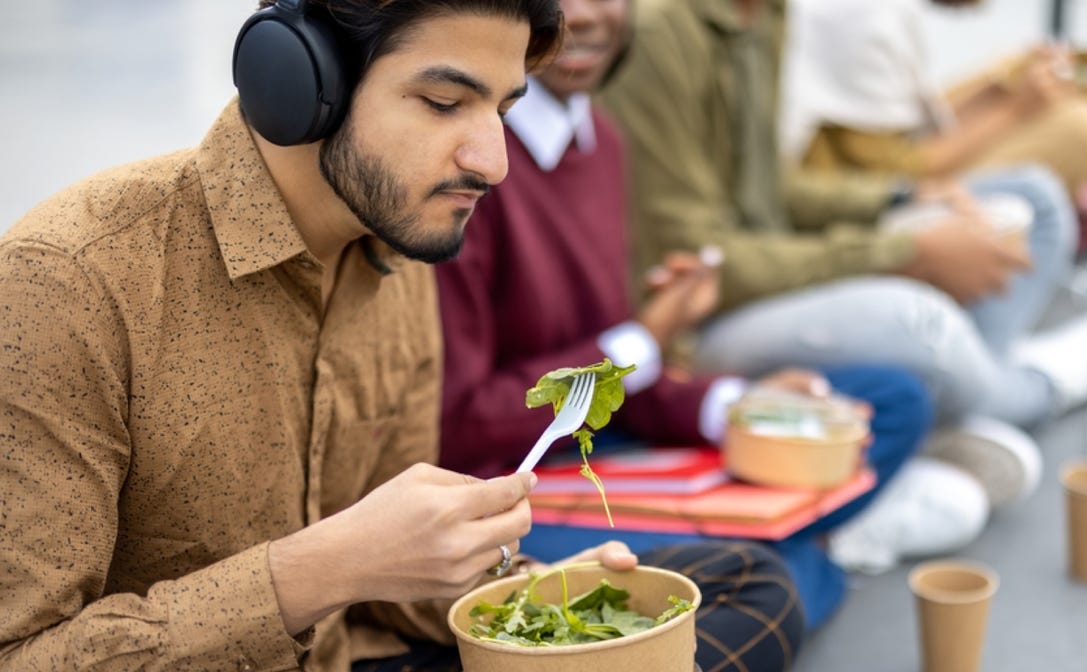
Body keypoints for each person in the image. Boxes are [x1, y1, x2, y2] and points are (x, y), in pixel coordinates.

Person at [0, 2, 801, 671]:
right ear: (299, 82)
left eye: (503, 110)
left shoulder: (402, 251)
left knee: (748, 584)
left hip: (358, 652)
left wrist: (527, 594)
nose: (494, 163)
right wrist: (321, 569)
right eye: (445, 103)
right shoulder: (69, 282)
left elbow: (395, 576)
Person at [434, 0, 982, 628]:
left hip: (605, 438)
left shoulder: (602, 140)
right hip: (515, 484)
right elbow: (466, 426)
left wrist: (730, 406)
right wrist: (643, 341)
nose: (581, 14)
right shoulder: (470, 170)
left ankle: (785, 542)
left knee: (891, 400)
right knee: (767, 580)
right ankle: (806, 548)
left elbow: (625, 377)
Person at [599, 0, 1087, 540]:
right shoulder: (660, 32)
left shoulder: (766, 9)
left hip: (775, 260)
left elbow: (772, 187)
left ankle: (970, 402)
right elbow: (695, 259)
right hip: (697, 322)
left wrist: (899, 198)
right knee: (919, 319)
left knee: (1033, 199)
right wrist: (902, 251)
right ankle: (1039, 387)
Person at [779, 0, 1087, 259]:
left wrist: (999, 87)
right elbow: (901, 172)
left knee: (1028, 80)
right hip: (845, 212)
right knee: (1077, 129)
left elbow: (898, 127)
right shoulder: (869, 16)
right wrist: (1014, 110)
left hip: (854, 172)